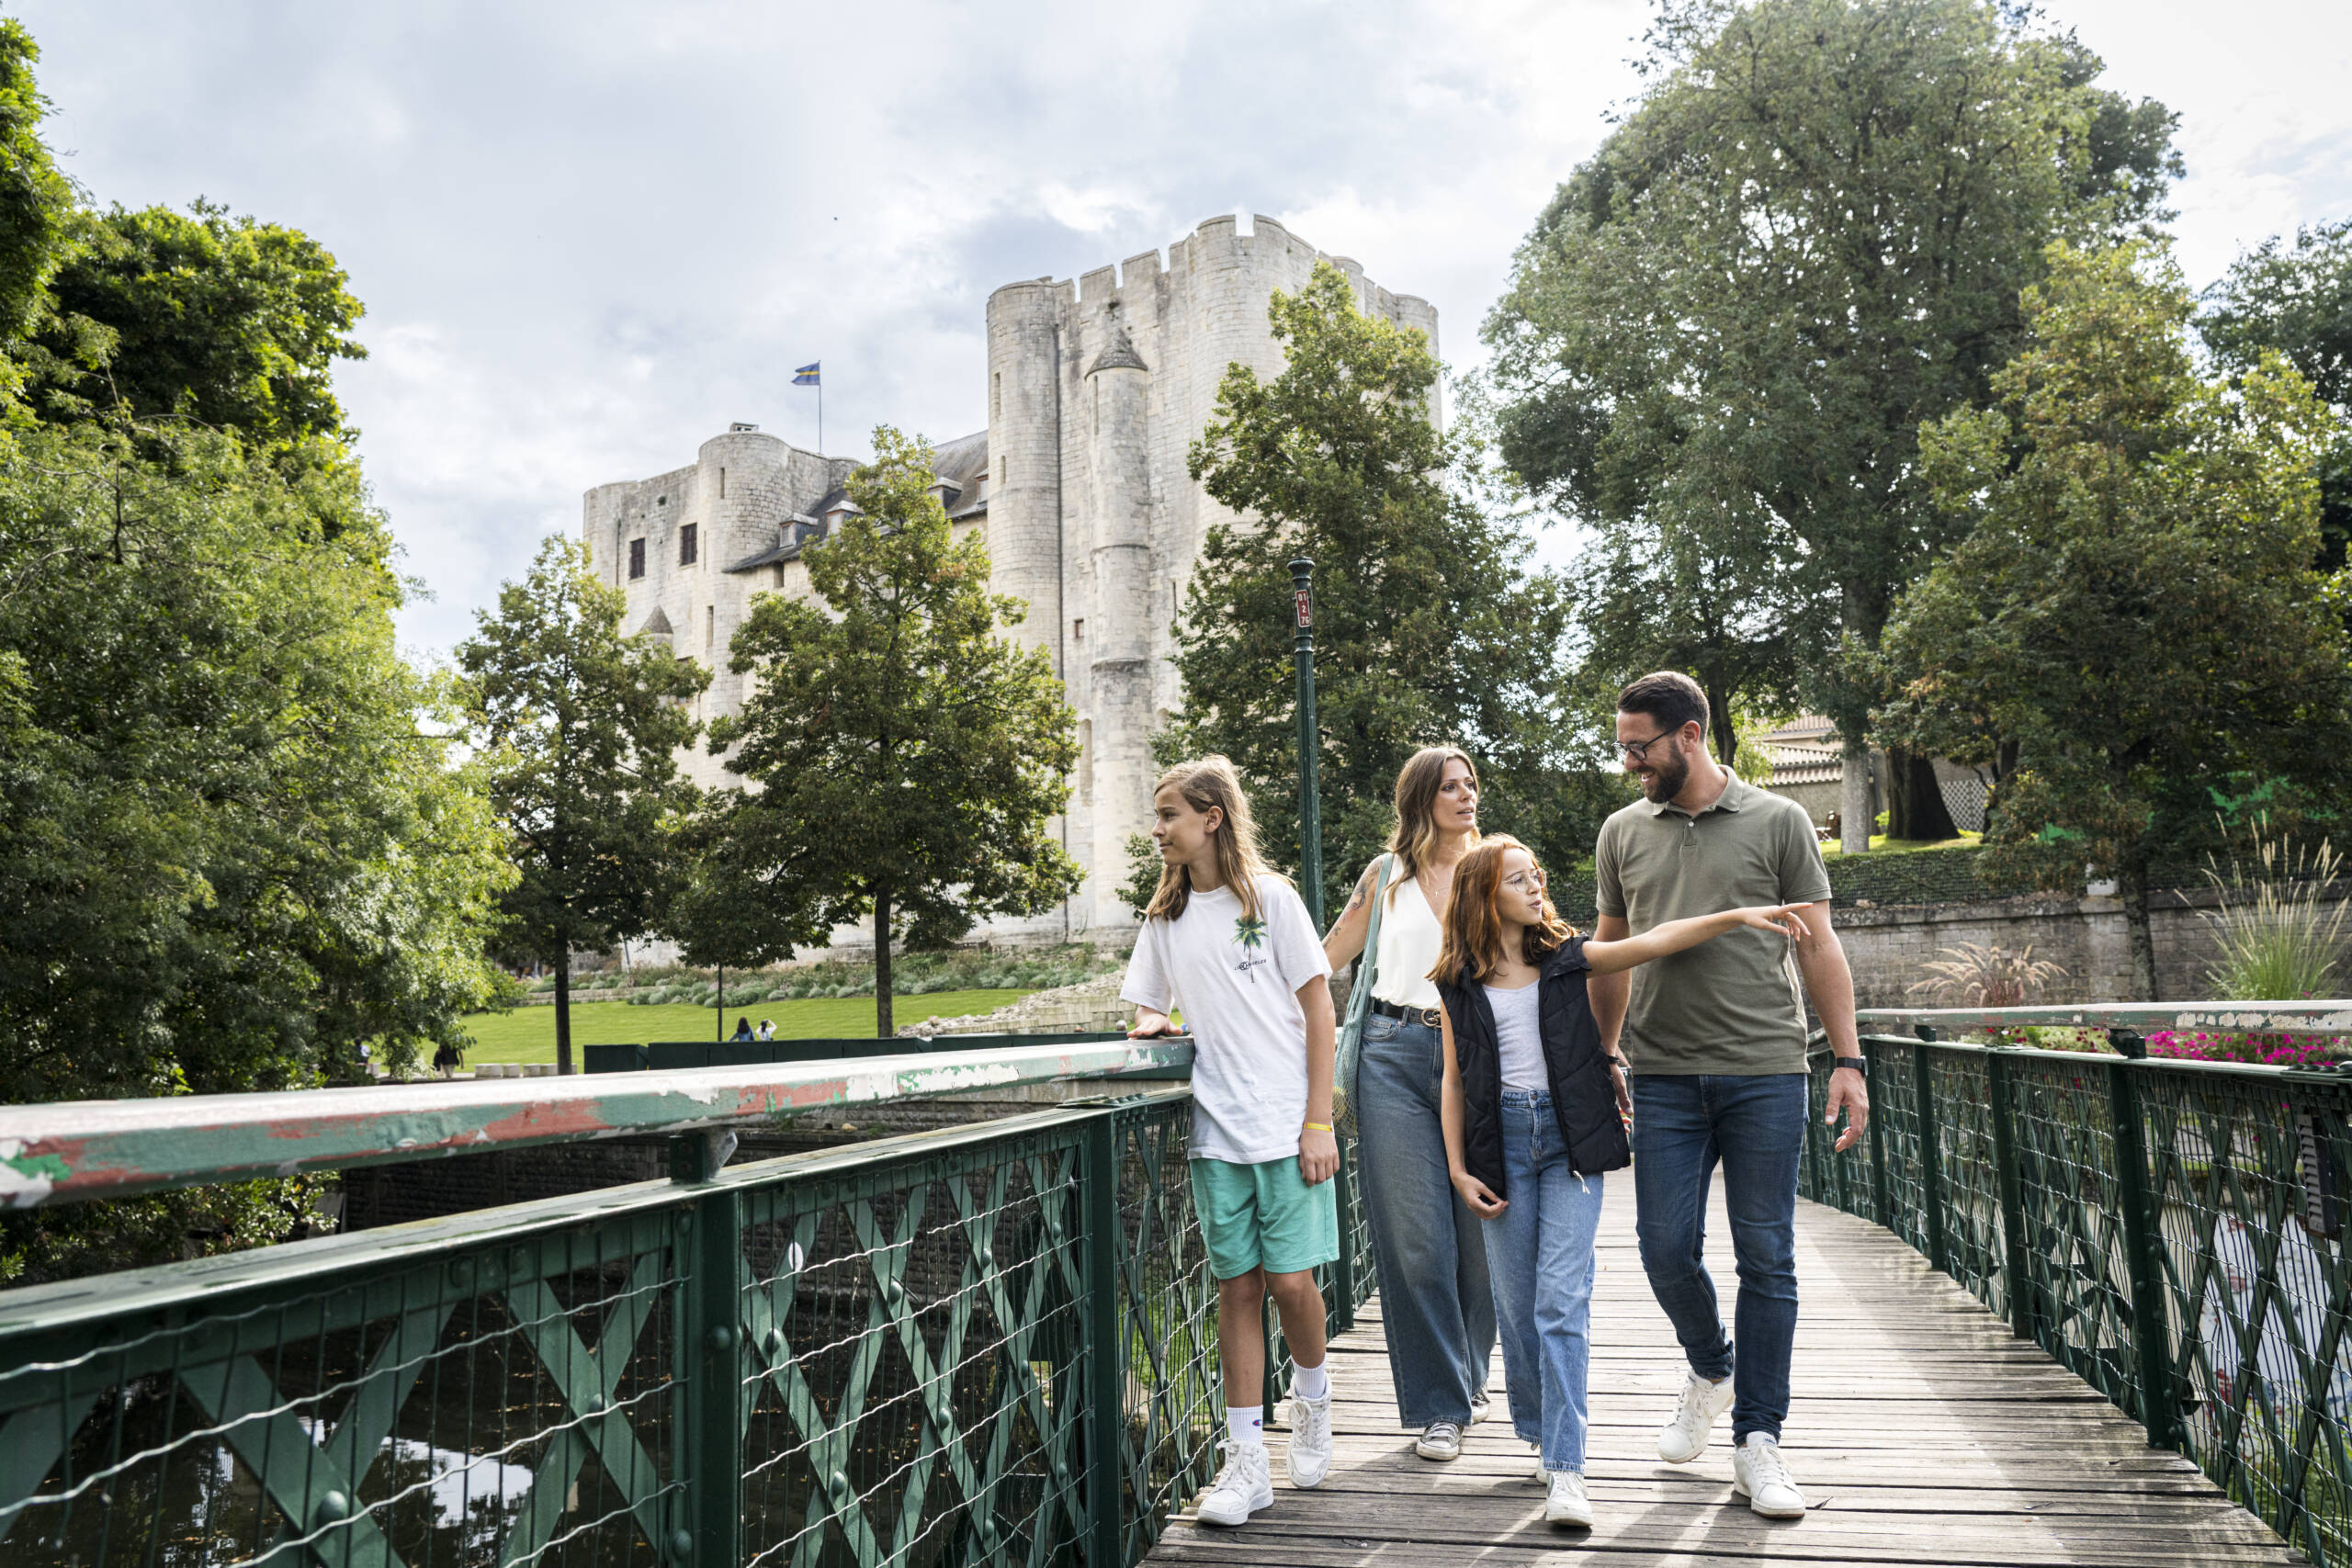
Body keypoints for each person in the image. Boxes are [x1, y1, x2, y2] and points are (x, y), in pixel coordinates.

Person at [1431, 834, 1812, 1528]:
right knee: (1519, 1312)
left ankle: (1569, 1470)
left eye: (1536, 875)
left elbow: (1655, 940)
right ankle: (1544, 1438)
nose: (1536, 886)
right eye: (1519, 880)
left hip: (1570, 1144)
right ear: (1486, 896)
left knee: (1559, 1303)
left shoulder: (1566, 959)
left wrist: (1733, 915)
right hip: (1500, 1150)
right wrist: (1457, 1167)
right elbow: (1454, 1080)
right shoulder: (1457, 981)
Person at [1589, 672, 1867, 1519]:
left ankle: (1760, 1439)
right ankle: (1711, 1364)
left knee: (1767, 1255)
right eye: (1624, 746)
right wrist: (1603, 1055)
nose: (1631, 761)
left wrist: (1847, 1059)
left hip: (1766, 1071)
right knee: (1665, 1245)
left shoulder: (1778, 821)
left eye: (1641, 745)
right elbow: (1609, 949)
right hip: (1664, 1073)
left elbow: (1818, 946)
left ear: (1692, 735)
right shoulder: (1621, 832)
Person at [1125, 756, 1339, 1529]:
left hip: (1288, 1128)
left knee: (1290, 1286)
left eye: (1170, 814)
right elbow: (1147, 1008)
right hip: (1216, 1131)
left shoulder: (1271, 900)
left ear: (1212, 817)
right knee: (1237, 1288)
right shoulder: (1163, 917)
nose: (1158, 829)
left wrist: (1320, 1121)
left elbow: (1320, 1014)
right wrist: (1154, 1026)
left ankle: (1313, 1394)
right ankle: (1247, 1461)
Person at [1321, 747, 1498, 1460]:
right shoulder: (1383, 875)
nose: (1466, 795)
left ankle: (1470, 1374)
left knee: (1480, 1235)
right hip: (1391, 1056)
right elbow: (1324, 956)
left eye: (1471, 784)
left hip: (1478, 1062)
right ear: (1421, 798)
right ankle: (1442, 1406)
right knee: (1415, 1239)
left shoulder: (1498, 869)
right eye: (1450, 786)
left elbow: (1547, 959)